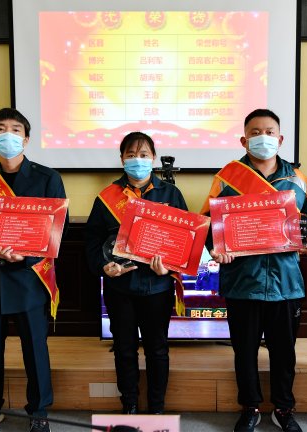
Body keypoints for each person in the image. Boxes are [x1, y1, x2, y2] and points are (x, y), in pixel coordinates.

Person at [201, 109, 307, 432]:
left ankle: (283, 408)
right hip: (243, 281)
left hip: (286, 281)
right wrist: (216, 247)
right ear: (244, 141)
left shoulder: (297, 178)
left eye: (269, 132)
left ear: (280, 139)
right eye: (255, 133)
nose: (263, 138)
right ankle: (250, 407)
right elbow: (208, 222)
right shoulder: (227, 176)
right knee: (244, 352)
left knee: (284, 352)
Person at [0, 108, 67, 432]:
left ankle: (39, 411)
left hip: (29, 278)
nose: (7, 135)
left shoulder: (48, 178)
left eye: (15, 130)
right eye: (0, 129)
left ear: (26, 138)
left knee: (35, 350)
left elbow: (57, 233)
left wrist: (26, 257)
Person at [84, 131, 188, 415]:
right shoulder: (107, 197)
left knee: (157, 349)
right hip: (121, 287)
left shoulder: (171, 194)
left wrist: (169, 266)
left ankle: (157, 407)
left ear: (153, 158)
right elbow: (92, 240)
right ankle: (128, 403)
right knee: (124, 348)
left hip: (157, 286)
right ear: (122, 159)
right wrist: (103, 266)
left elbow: (184, 240)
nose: (137, 160)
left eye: (143, 155)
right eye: (131, 155)